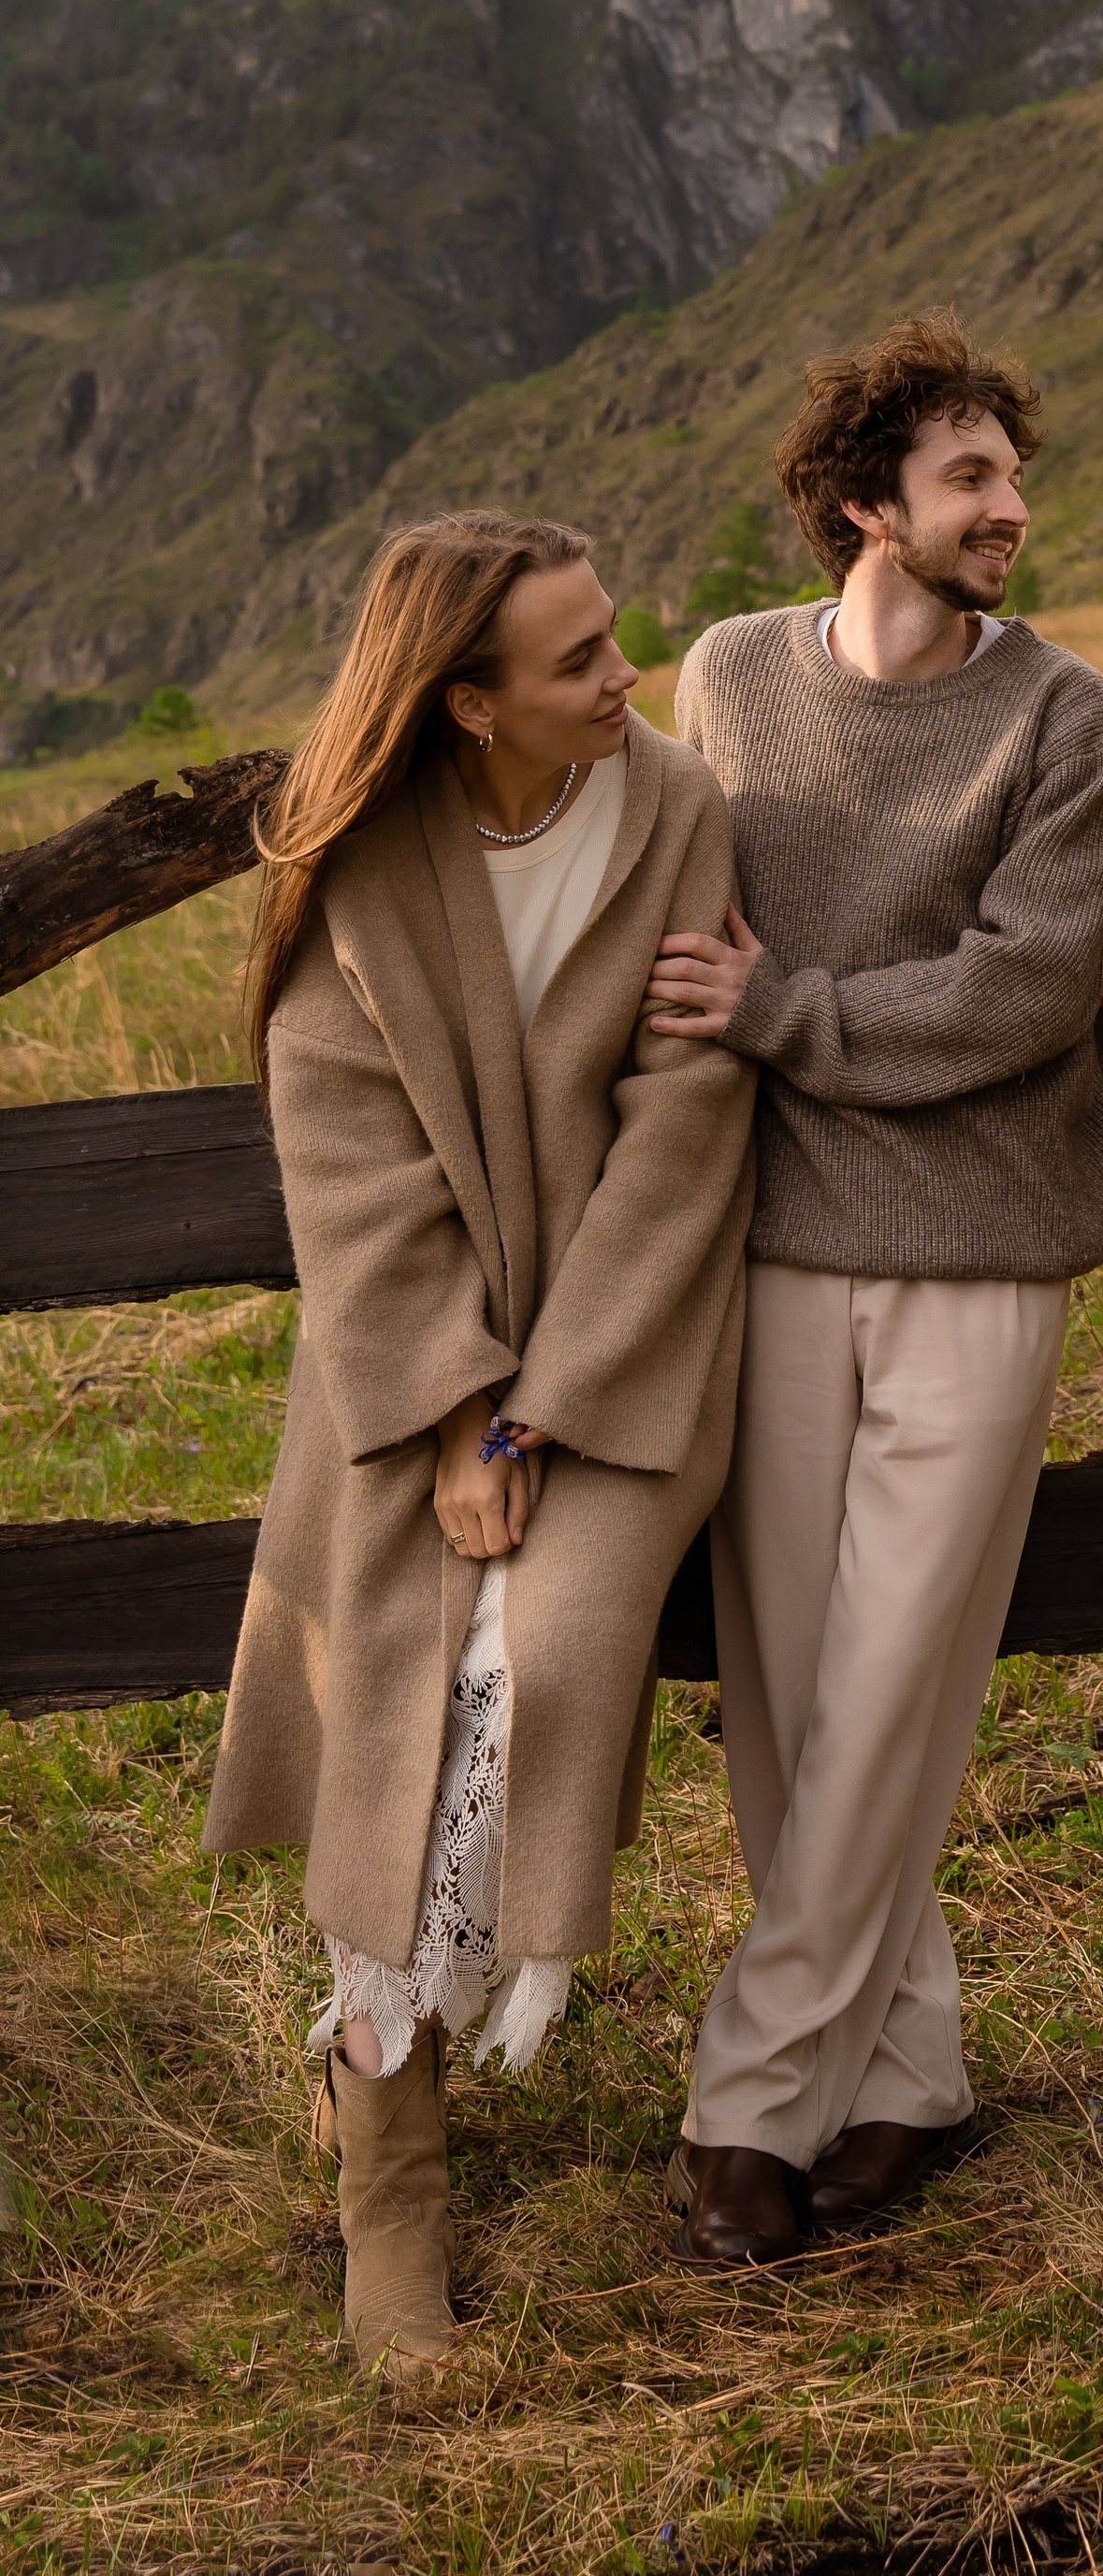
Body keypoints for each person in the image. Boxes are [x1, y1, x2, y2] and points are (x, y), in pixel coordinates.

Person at [204, 514, 756, 2374]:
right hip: (400, 1362)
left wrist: (536, 1412)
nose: (627, 680)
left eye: (617, 636)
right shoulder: (360, 861)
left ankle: (414, 2044)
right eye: (582, 662)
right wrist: (450, 1409)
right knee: (392, 1679)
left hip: (624, 1350)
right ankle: (390, 2179)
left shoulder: (675, 806)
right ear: (465, 705)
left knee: (549, 1645)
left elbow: (687, 1118)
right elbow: (350, 1167)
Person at [645, 311, 1103, 2270]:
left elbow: (1029, 987)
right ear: (867, 507)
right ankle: (906, 2075)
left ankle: (747, 2104)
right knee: (788, 1700)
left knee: (897, 1672)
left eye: (1009, 475)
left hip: (982, 1250)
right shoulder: (730, 677)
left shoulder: (1063, 717)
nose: (1009, 508)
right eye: (968, 480)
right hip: (763, 1251)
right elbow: (676, 908)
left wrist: (791, 1014)